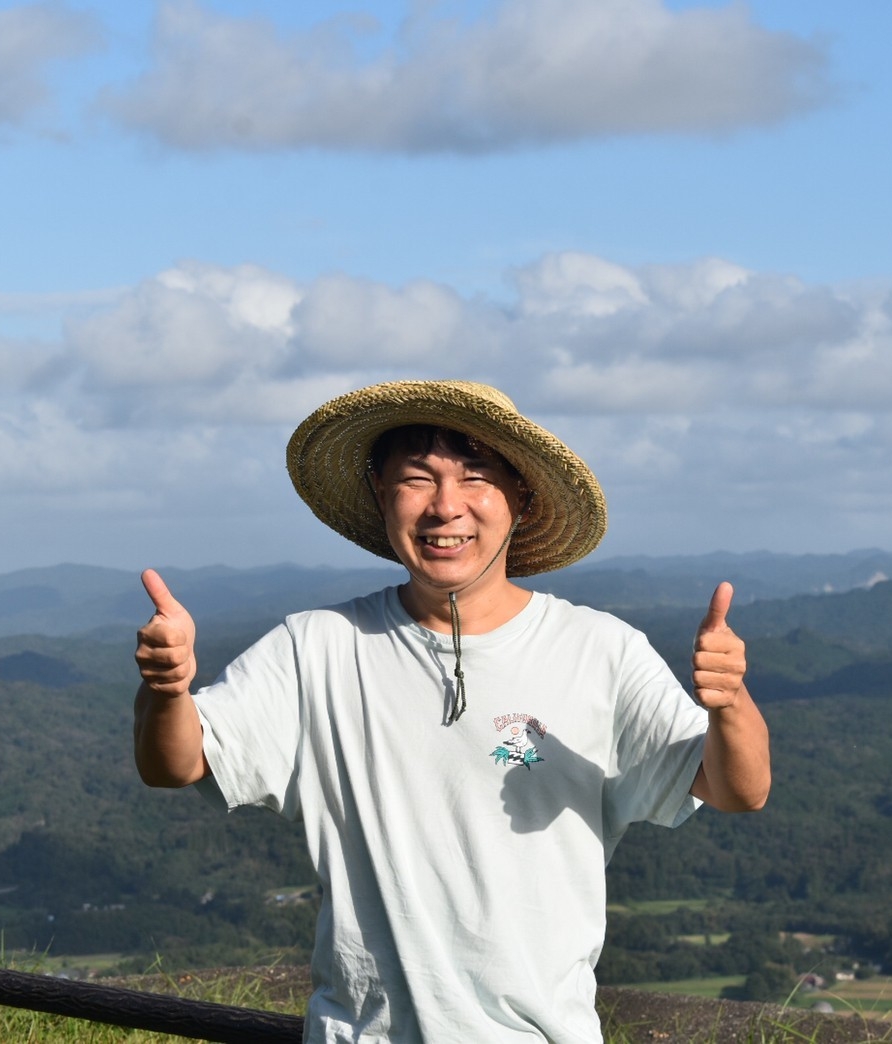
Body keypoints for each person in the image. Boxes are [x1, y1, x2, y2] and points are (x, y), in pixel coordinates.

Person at [133, 379, 770, 1043]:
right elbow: (178, 763)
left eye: (476, 477)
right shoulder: (314, 649)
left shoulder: (599, 651)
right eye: (417, 478)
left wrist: (731, 702)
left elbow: (739, 788)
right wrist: (166, 689)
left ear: (520, 497)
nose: (445, 507)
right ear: (382, 495)